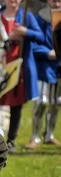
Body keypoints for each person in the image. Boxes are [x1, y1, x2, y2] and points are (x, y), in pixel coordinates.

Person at [0, 0, 43, 153]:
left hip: (19, 67)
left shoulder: (26, 16)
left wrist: (25, 32)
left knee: (16, 104)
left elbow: (40, 36)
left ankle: (12, 140)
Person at [28, 0, 61, 148]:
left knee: (56, 102)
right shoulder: (39, 18)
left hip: (59, 67)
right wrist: (48, 52)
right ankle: (34, 137)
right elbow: (34, 44)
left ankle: (49, 135)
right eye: (54, 0)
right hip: (44, 66)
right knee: (42, 101)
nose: (57, 3)